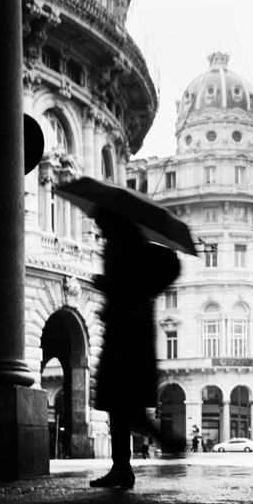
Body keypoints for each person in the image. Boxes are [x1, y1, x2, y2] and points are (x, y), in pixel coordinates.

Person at [90, 209, 180, 489]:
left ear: (113, 221)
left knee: (120, 400)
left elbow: (126, 285)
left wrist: (108, 284)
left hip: (126, 334)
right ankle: (122, 466)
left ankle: (151, 449)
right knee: (122, 402)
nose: (99, 229)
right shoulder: (129, 245)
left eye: (101, 222)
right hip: (129, 330)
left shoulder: (125, 247)